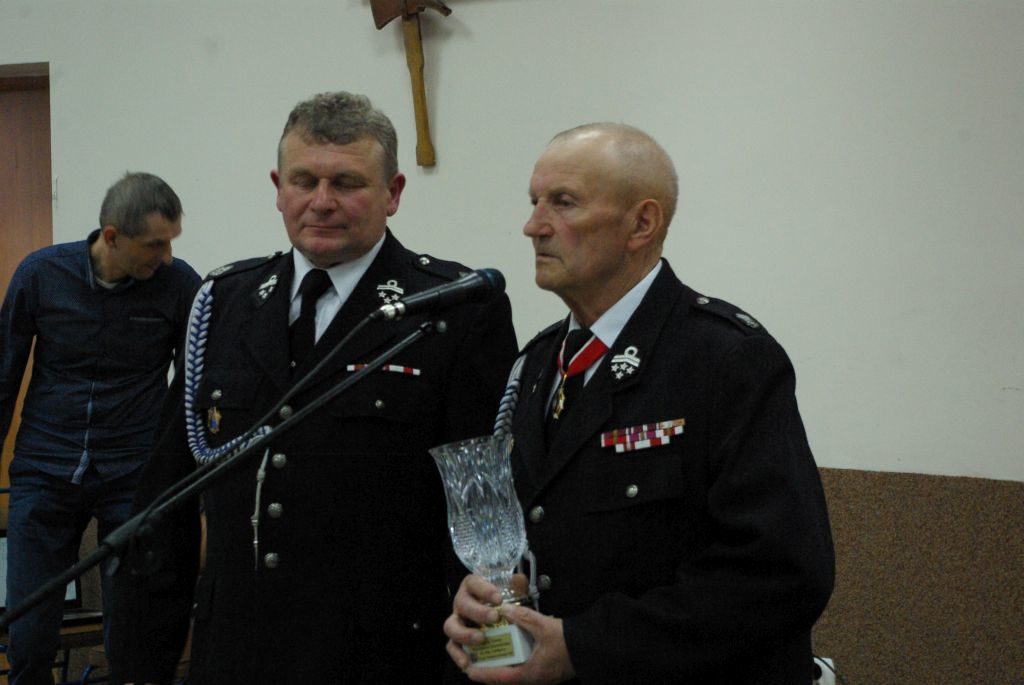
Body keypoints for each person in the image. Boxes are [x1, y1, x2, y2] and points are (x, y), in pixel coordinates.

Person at [110, 91, 518, 684]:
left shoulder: (454, 311)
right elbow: (164, 506)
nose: (321, 202)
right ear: (279, 188)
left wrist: (487, 661)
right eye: (304, 181)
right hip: (236, 656)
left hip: (382, 657)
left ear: (393, 192)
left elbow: (484, 516)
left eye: (347, 183)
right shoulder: (224, 302)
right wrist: (140, 668)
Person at [444, 123, 835, 684]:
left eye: (564, 202)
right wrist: (491, 599)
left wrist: (583, 647)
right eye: (534, 202)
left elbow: (781, 576)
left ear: (642, 224)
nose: (533, 226)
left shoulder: (725, 358)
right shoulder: (536, 363)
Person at [0, 172, 200, 685]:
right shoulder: (40, 274)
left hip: (133, 476)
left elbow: (195, 387)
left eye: (171, 242)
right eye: (155, 244)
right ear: (112, 236)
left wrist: (182, 475)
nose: (167, 257)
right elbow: (3, 376)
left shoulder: (180, 286)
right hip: (45, 470)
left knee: (132, 635)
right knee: (28, 634)